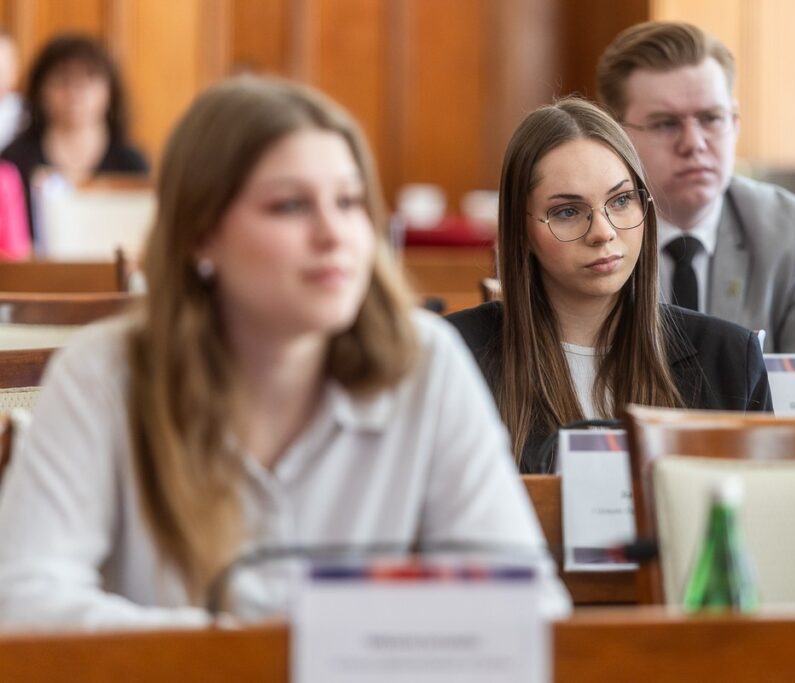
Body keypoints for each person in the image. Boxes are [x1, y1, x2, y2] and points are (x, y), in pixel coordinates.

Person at [0, 76, 565, 629]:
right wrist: (247, 655)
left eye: (349, 202)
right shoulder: (105, 372)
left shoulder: (424, 362)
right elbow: (23, 601)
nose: (334, 234)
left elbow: (529, 608)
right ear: (201, 233)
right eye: (291, 206)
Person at [447, 98, 772, 473]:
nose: (603, 232)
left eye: (620, 201)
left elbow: (762, 524)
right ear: (522, 231)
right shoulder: (453, 357)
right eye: (567, 212)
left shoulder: (730, 358)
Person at [596, 21, 795, 354]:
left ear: (735, 124)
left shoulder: (788, 228)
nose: (693, 144)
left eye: (711, 119)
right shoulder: (594, 229)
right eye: (665, 123)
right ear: (615, 134)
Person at [0, 34, 148, 239]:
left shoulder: (131, 163)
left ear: (110, 91)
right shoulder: (14, 160)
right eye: (62, 81)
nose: (75, 94)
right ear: (40, 92)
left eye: (88, 81)